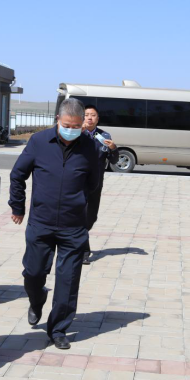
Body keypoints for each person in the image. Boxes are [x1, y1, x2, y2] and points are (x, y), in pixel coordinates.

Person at [9, 97, 100, 350]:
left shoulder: (90, 147)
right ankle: (36, 299)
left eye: (77, 126)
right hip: (41, 222)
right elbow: (17, 175)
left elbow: (94, 184)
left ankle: (58, 328)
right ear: (58, 120)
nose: (71, 130)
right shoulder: (38, 142)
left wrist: (84, 212)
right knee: (33, 272)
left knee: (68, 280)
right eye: (67, 125)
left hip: (73, 226)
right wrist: (18, 206)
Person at [80, 104, 119, 264]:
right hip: (78, 182)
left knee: (91, 217)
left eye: (93, 115)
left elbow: (114, 161)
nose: (89, 118)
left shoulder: (104, 135)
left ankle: (80, 239)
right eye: (86, 115)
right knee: (80, 216)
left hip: (96, 183)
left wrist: (113, 148)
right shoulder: (76, 133)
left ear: (98, 118)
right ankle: (83, 251)